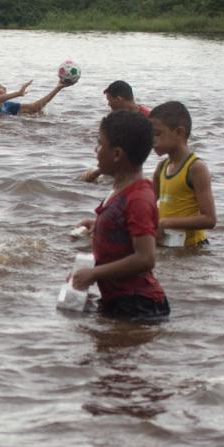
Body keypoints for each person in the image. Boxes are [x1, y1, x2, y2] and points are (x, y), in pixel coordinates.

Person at [67, 110, 168, 321]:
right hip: (120, 300)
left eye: (100, 143)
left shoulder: (138, 197)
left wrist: (93, 274)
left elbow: (146, 258)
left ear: (117, 154)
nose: (96, 150)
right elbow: (125, 230)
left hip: (139, 305)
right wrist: (98, 225)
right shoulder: (122, 191)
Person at [149, 101, 215, 249]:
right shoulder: (161, 167)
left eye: (157, 133)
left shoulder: (196, 168)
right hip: (168, 243)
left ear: (179, 133)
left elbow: (209, 219)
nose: (152, 140)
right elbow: (148, 206)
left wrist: (165, 223)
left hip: (193, 247)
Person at [0, 80, 69, 126]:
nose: (5, 88)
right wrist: (18, 93)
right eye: (0, 87)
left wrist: (58, 88)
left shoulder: (8, 105)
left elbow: (35, 107)